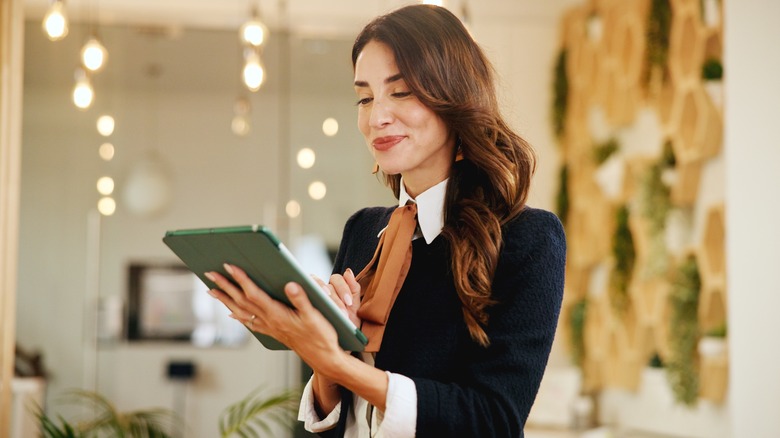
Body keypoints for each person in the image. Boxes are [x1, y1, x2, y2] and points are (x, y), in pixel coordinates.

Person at [205, 4, 565, 437]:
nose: (376, 117)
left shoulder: (528, 238)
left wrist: (335, 361)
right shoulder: (363, 230)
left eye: (401, 91)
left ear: (455, 99)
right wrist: (326, 361)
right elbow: (342, 416)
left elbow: (493, 420)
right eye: (364, 97)